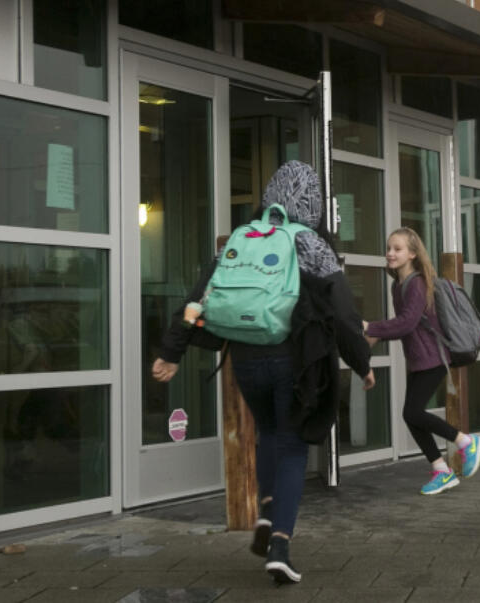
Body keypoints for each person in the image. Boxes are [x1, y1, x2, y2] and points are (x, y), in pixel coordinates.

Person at [151, 161, 373, 584]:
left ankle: (269, 513)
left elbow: (199, 298)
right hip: (294, 360)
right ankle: (281, 546)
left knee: (267, 433)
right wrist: (361, 363)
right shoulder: (310, 243)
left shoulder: (239, 239)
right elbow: (344, 313)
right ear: (313, 204)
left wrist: (172, 351)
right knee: (292, 446)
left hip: (246, 360)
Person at [363, 227, 480, 495]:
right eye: (389, 248)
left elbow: (406, 324)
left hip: (432, 359)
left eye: (398, 249)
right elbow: (407, 326)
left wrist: (372, 328)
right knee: (411, 415)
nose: (390, 253)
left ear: (413, 254)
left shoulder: (417, 283)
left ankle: (466, 442)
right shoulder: (399, 284)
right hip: (419, 359)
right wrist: (377, 335)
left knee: (413, 413)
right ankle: (442, 470)